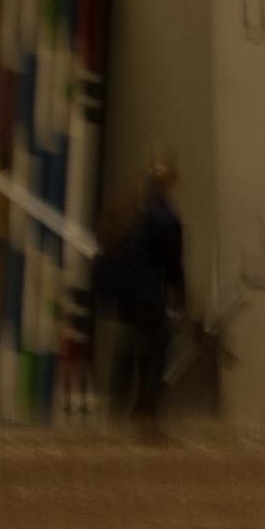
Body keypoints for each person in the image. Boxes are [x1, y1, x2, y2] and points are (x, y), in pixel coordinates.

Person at [100, 157, 187, 435]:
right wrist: (180, 294)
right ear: (168, 185)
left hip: (126, 291)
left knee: (131, 346)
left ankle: (118, 404)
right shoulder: (165, 218)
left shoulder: (132, 212)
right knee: (157, 349)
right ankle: (146, 410)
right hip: (148, 291)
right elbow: (172, 262)